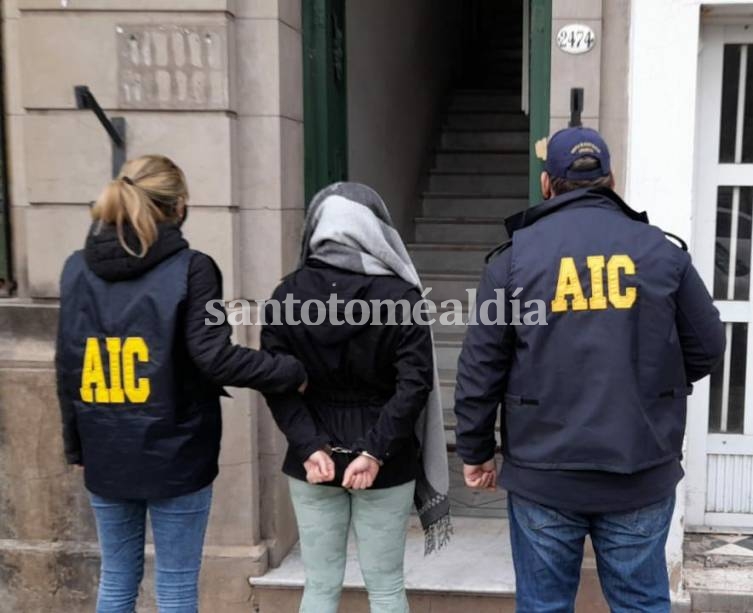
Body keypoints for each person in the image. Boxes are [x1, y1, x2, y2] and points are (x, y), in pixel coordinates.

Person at [454, 127, 726, 612]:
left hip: (543, 473)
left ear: (547, 184)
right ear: (611, 181)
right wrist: (652, 386)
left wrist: (475, 451)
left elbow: (481, 368)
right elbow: (708, 347)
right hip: (640, 466)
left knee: (543, 606)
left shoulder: (513, 261)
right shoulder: (660, 252)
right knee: (642, 605)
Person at [55, 154, 307, 613]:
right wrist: (292, 371)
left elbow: (69, 363)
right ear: (179, 206)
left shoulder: (75, 267)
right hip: (177, 449)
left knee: (116, 578)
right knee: (175, 585)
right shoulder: (193, 268)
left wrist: (77, 446)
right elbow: (215, 358)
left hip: (104, 446)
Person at [261, 182, 451, 613]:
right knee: (386, 589)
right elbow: (414, 385)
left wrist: (310, 446)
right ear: (375, 228)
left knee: (319, 587)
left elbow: (276, 383)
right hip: (387, 459)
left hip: (313, 461)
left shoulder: (285, 296)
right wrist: (374, 451)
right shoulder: (402, 297)